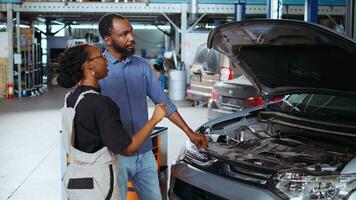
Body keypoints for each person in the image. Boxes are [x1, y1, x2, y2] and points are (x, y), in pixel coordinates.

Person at [98, 13, 209, 200]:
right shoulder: (98, 70)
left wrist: (189, 133)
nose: (131, 38)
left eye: (131, 32)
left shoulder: (141, 66)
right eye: (124, 34)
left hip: (145, 155)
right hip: (114, 157)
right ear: (108, 40)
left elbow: (164, 103)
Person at [58, 44, 168, 200]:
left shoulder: (71, 98)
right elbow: (128, 149)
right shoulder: (101, 104)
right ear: (89, 65)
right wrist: (154, 120)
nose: (106, 60)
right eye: (101, 57)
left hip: (77, 181)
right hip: (100, 184)